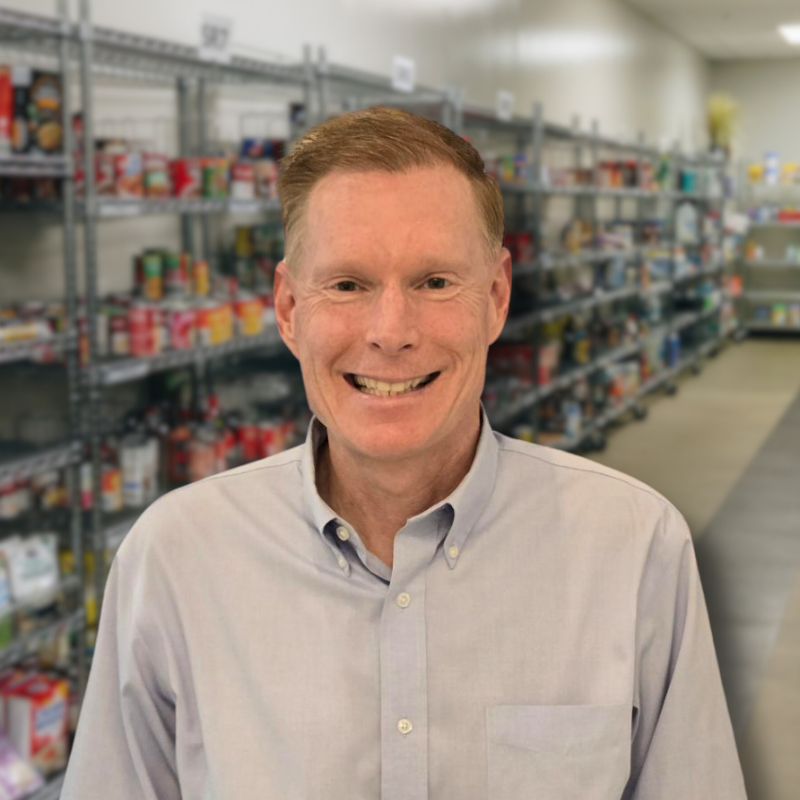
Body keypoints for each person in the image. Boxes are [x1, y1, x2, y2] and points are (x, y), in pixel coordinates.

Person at [62, 106, 747, 800]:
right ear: (290, 309)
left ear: (496, 297)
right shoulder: (176, 559)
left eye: (435, 282)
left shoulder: (635, 549)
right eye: (347, 285)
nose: (391, 333)